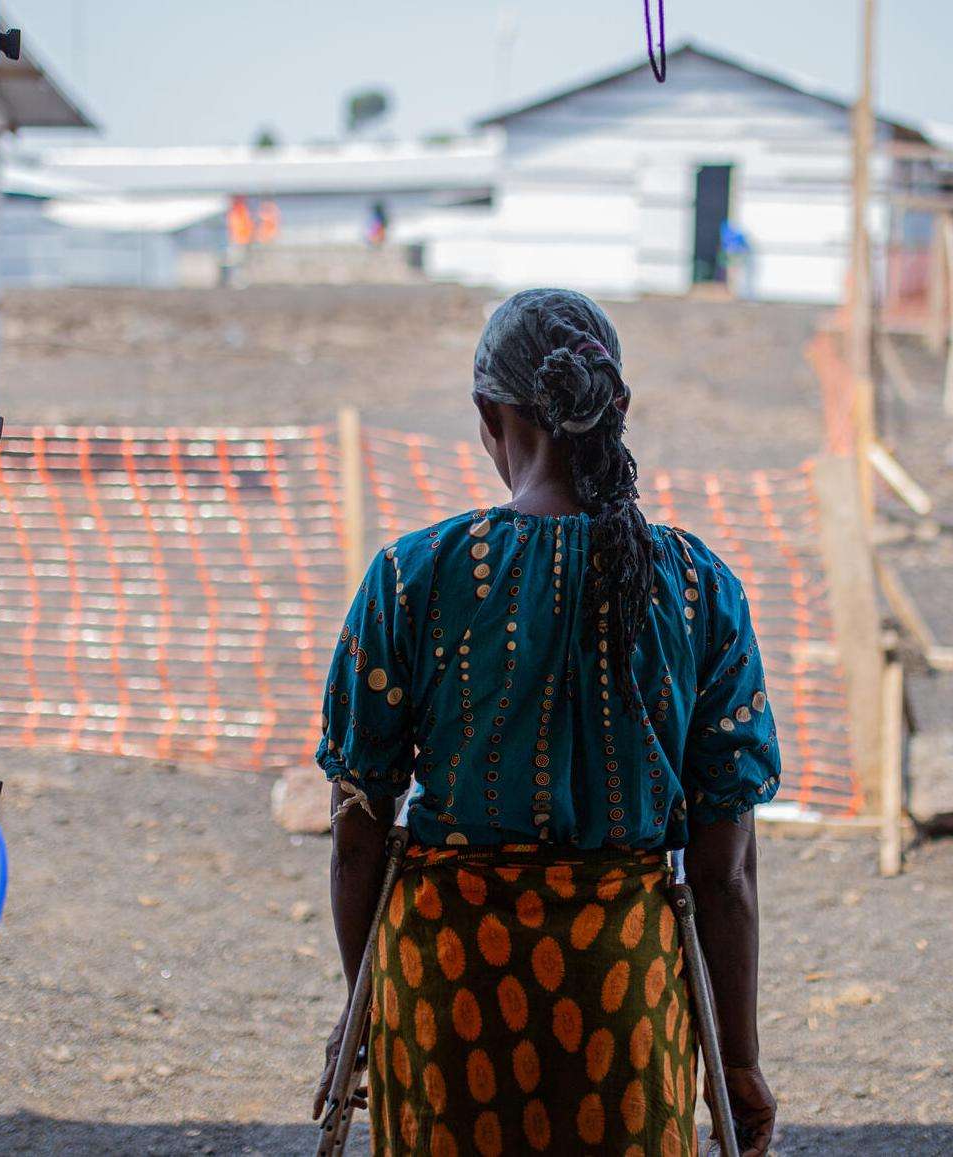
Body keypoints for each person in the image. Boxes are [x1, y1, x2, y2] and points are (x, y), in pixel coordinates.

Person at [311, 288, 780, 1155]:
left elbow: (356, 833)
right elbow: (723, 874)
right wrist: (739, 1061)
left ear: (489, 415)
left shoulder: (413, 577)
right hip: (624, 1003)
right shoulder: (699, 589)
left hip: (448, 992)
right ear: (617, 409)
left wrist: (362, 1006)